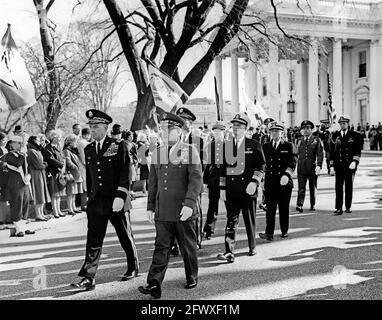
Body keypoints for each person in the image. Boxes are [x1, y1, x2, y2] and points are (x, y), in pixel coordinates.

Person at [71, 109, 138, 291]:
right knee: (93, 240)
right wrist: (89, 198)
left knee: (124, 235)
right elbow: (92, 176)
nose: (92, 129)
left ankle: (133, 266)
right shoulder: (89, 148)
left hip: (115, 200)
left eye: (96, 126)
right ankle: (88, 277)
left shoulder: (119, 145)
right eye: (90, 126)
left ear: (106, 127)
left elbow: (126, 173)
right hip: (97, 202)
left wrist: (121, 196)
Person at [138, 112, 202, 299]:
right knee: (161, 247)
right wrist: (150, 207)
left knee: (187, 246)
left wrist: (190, 204)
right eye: (162, 130)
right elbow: (154, 183)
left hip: (183, 209)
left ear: (179, 131)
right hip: (163, 210)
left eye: (169, 130)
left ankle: (192, 276)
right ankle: (154, 284)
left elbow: (195, 180)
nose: (164, 133)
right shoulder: (158, 152)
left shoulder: (189, 150)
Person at [217, 113, 265, 262]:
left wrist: (254, 182)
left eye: (239, 126)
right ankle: (229, 251)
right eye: (234, 126)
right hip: (231, 190)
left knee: (249, 218)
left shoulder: (254, 144)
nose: (236, 128)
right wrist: (222, 189)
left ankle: (252, 246)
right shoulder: (227, 146)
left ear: (246, 128)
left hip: (247, 189)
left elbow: (261, 165)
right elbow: (222, 169)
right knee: (231, 221)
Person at [259, 121, 296, 241]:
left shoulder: (289, 145)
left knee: (284, 208)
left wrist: (287, 174)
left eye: (276, 131)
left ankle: (284, 231)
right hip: (270, 182)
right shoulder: (266, 146)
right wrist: (262, 180)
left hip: (284, 181)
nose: (274, 133)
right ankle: (269, 233)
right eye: (272, 131)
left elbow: (293, 162)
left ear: (282, 133)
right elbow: (263, 164)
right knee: (270, 209)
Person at [176, 107, 205, 250]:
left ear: (191, 123)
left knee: (195, 211)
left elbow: (203, 162)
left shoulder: (198, 140)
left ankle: (196, 239)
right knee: (176, 211)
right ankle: (177, 242)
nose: (183, 123)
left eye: (186, 120)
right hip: (178, 181)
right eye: (181, 120)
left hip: (193, 181)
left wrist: (199, 181)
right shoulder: (174, 139)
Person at [2, 135, 34, 237]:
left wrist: (28, 175)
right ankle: (18, 229)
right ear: (12, 144)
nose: (21, 145)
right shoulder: (9, 155)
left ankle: (24, 226)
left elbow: (27, 167)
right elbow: (18, 163)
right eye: (18, 143)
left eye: (21, 143)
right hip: (14, 184)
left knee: (25, 203)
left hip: (23, 183)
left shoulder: (21, 155)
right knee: (17, 205)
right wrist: (23, 154)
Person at [330, 115, 362, 215]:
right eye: (341, 123)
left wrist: (355, 161)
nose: (343, 125)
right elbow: (332, 152)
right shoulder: (335, 135)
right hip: (339, 165)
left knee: (349, 187)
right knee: (338, 187)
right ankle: (338, 207)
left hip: (349, 165)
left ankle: (348, 206)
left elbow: (357, 150)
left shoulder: (354, 135)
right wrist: (331, 165)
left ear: (348, 124)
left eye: (344, 123)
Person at [202, 121, 226, 240]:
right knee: (212, 205)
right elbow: (209, 164)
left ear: (223, 133)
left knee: (229, 205)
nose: (217, 134)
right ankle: (208, 229)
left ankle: (231, 228)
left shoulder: (229, 145)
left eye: (219, 132)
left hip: (226, 180)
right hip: (213, 179)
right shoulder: (211, 146)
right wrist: (205, 181)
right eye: (215, 132)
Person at [295, 120, 324, 213]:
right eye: (304, 128)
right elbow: (295, 153)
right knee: (301, 187)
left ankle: (313, 204)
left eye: (308, 128)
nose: (306, 130)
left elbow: (320, 153)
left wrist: (319, 165)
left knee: (312, 187)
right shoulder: (299, 140)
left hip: (312, 167)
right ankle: (299, 204)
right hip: (301, 167)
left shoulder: (316, 140)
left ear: (312, 130)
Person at [43, 130, 66, 218]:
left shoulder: (58, 147)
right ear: (53, 137)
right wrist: (61, 165)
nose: (60, 139)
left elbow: (62, 157)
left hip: (59, 172)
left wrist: (63, 166)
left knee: (59, 192)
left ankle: (59, 210)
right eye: (58, 137)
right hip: (53, 172)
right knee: (54, 193)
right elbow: (51, 159)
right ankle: (55, 211)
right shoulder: (48, 148)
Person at [27, 136, 51, 221]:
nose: (39, 142)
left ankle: (41, 213)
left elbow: (41, 163)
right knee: (38, 194)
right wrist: (45, 164)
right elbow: (39, 165)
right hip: (36, 175)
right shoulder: (31, 151)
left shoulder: (37, 150)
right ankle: (38, 214)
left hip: (41, 174)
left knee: (42, 194)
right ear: (33, 141)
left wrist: (43, 164)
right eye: (38, 140)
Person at [63, 134, 83, 216]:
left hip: (76, 173)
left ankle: (74, 207)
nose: (76, 143)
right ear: (70, 142)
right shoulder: (66, 150)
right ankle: (70, 209)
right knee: (70, 193)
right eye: (75, 141)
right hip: (72, 173)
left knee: (74, 193)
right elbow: (68, 161)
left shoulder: (73, 150)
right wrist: (75, 167)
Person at [77, 128, 91, 211]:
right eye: (89, 135)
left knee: (86, 186)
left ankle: (85, 203)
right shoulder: (82, 143)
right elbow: (83, 156)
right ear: (86, 134)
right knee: (85, 186)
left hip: (84, 166)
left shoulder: (82, 142)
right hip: (84, 166)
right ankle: (84, 204)